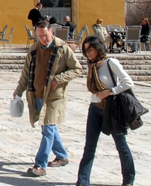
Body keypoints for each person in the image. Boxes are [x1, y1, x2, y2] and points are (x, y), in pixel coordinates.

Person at [12, 20, 83, 177]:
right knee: (47, 127)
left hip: (54, 97)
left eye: (45, 35)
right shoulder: (34, 50)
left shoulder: (62, 49)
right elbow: (25, 73)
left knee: (48, 129)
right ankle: (62, 156)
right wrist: (18, 91)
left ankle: (40, 164)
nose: (43, 39)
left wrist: (60, 78)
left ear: (51, 32)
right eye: (39, 36)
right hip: (37, 94)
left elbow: (77, 69)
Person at [76, 36, 135, 186]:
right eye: (85, 50)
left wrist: (110, 91)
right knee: (89, 146)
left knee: (121, 145)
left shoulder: (110, 63)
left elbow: (128, 82)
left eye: (90, 49)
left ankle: (128, 179)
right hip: (95, 108)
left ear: (98, 48)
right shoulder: (92, 65)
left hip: (112, 109)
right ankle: (83, 181)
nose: (88, 53)